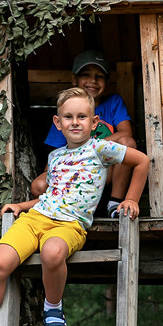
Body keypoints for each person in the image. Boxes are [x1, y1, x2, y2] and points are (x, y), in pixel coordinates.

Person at [0, 86, 149, 326]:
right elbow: (53, 195)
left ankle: (53, 308)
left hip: (69, 224)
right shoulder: (55, 157)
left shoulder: (101, 149)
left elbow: (142, 161)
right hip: (36, 218)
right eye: (69, 117)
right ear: (57, 123)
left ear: (94, 122)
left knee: (52, 254)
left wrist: (131, 199)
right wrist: (23, 206)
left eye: (82, 117)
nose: (75, 122)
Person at [32, 50, 137, 217]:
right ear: (74, 79)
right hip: (71, 171)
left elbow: (126, 133)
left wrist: (87, 150)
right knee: (38, 185)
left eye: (99, 76)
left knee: (127, 143)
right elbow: (52, 156)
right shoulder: (66, 112)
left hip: (100, 169)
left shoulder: (113, 103)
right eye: (86, 74)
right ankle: (61, 210)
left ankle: (114, 203)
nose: (93, 81)